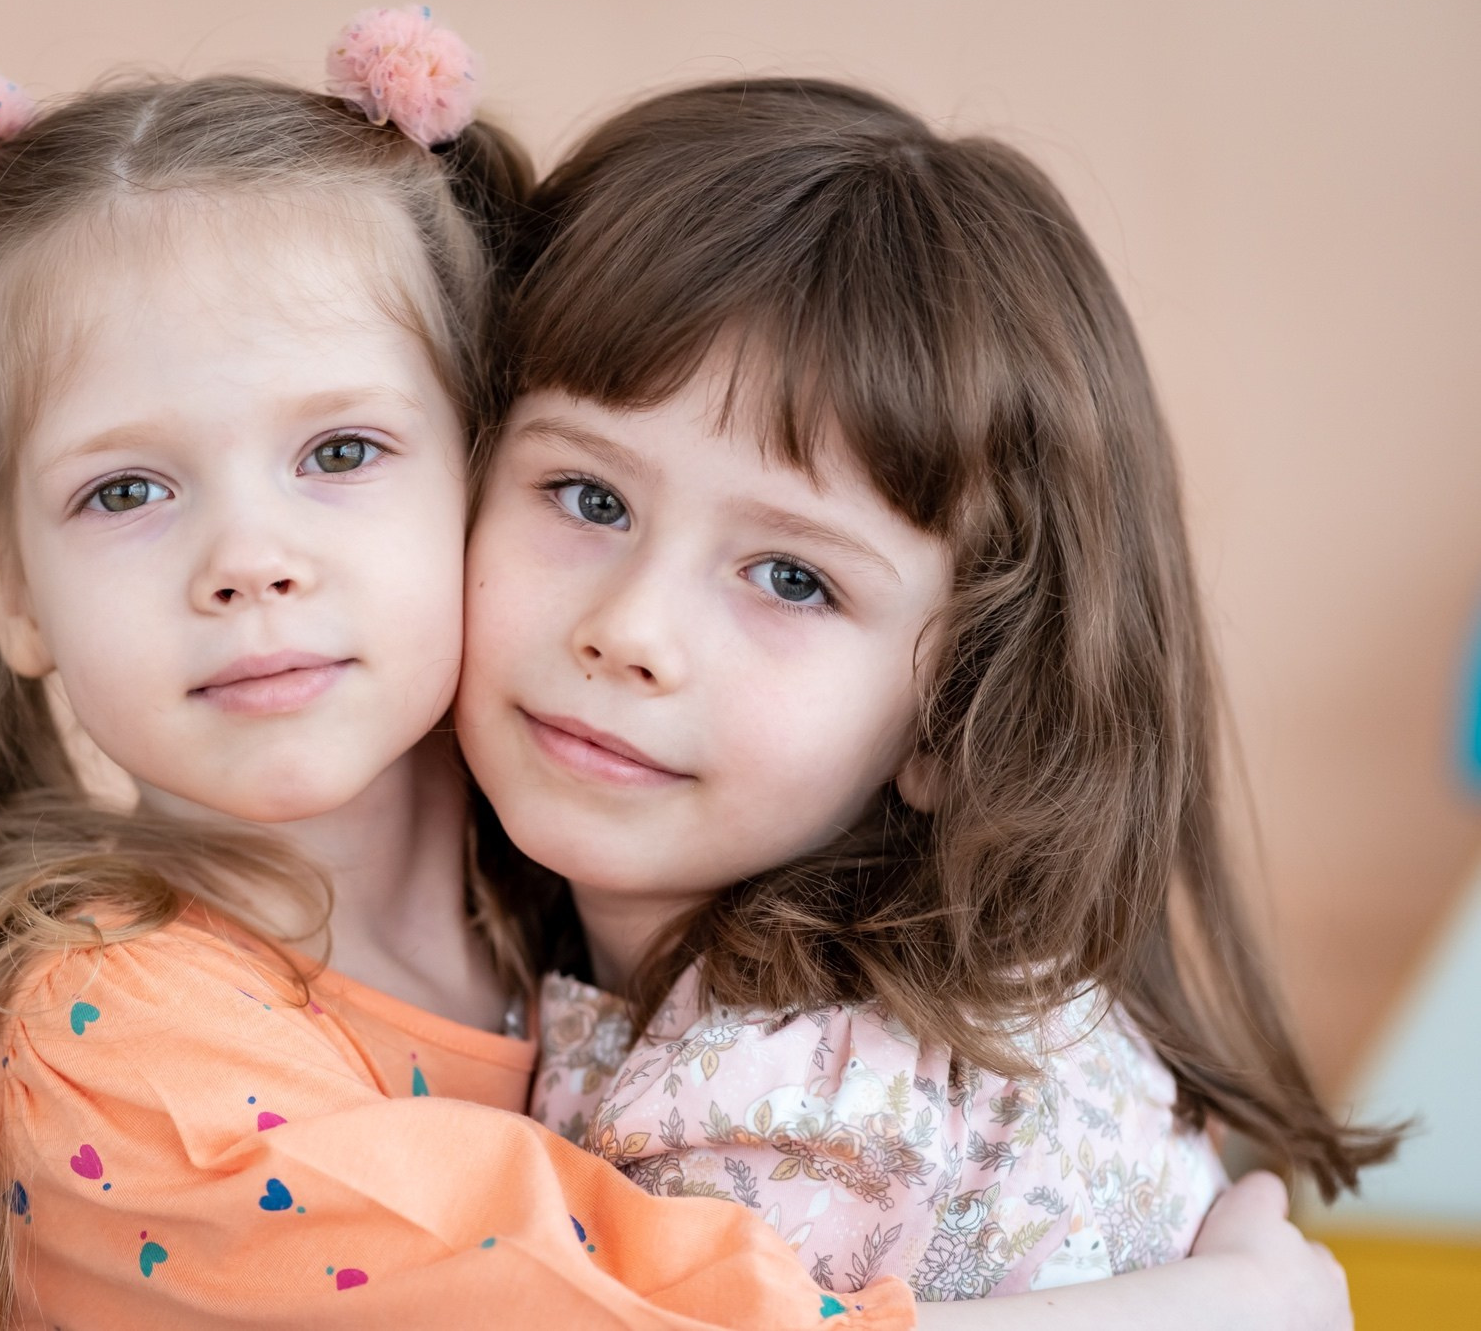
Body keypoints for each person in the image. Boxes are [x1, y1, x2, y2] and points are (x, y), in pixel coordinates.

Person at [0, 13, 1356, 1330]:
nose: (247, 561)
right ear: (6, 583)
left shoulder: (712, 1010)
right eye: (124, 490)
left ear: (451, 462)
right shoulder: (122, 1051)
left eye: (339, 453)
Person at [454, 77, 1396, 1304]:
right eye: (591, 498)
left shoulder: (794, 1103)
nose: (630, 630)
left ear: (958, 715)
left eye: (791, 577)